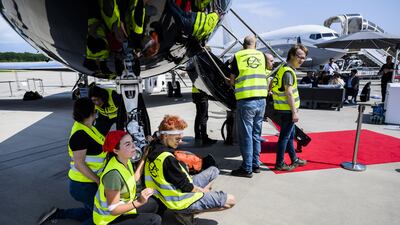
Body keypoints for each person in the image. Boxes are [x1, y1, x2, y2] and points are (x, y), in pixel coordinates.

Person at [144, 115, 235, 225]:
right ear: (166, 136)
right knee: (230, 200)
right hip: (179, 199)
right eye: (177, 139)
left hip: (170, 192)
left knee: (213, 171)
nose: (180, 141)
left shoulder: (152, 147)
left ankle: (189, 209)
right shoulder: (167, 159)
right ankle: (185, 212)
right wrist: (203, 192)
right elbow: (187, 187)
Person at [37, 98, 106, 225]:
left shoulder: (90, 128)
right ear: (92, 112)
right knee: (101, 216)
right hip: (83, 184)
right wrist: (98, 180)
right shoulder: (79, 135)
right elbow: (79, 164)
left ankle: (57, 214)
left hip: (86, 182)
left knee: (90, 211)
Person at [93, 130, 162, 225]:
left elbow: (134, 178)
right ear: (116, 150)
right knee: (155, 220)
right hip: (109, 220)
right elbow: (114, 210)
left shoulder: (124, 160)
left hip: (123, 209)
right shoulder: (113, 175)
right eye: (127, 144)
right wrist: (139, 202)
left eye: (132, 142)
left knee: (155, 203)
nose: (133, 146)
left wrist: (144, 157)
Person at [229, 35, 269, 178]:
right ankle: (255, 164)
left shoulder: (238, 56)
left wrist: (231, 81)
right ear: (255, 44)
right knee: (256, 135)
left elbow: (233, 81)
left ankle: (246, 168)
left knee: (246, 136)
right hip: (262, 100)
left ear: (243, 44)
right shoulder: (262, 56)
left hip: (246, 100)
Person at [271, 44, 308, 171]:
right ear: (292, 55)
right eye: (300, 57)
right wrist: (294, 112)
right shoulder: (288, 72)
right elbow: (289, 93)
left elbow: (272, 83)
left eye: (304, 58)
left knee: (290, 136)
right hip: (287, 110)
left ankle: (294, 159)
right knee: (284, 137)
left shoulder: (282, 68)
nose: (302, 60)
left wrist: (271, 91)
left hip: (283, 108)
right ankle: (280, 163)